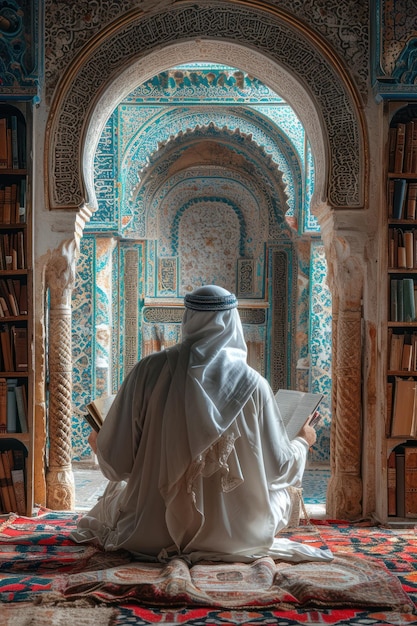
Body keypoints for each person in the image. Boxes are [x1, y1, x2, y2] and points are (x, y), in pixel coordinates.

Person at [71, 285, 333, 564]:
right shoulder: (255, 384)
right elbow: (279, 470)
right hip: (238, 538)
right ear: (233, 322)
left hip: (148, 534)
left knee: (116, 493)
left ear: (188, 319)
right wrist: (303, 441)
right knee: (282, 492)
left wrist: (99, 442)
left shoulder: (147, 370)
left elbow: (117, 467)